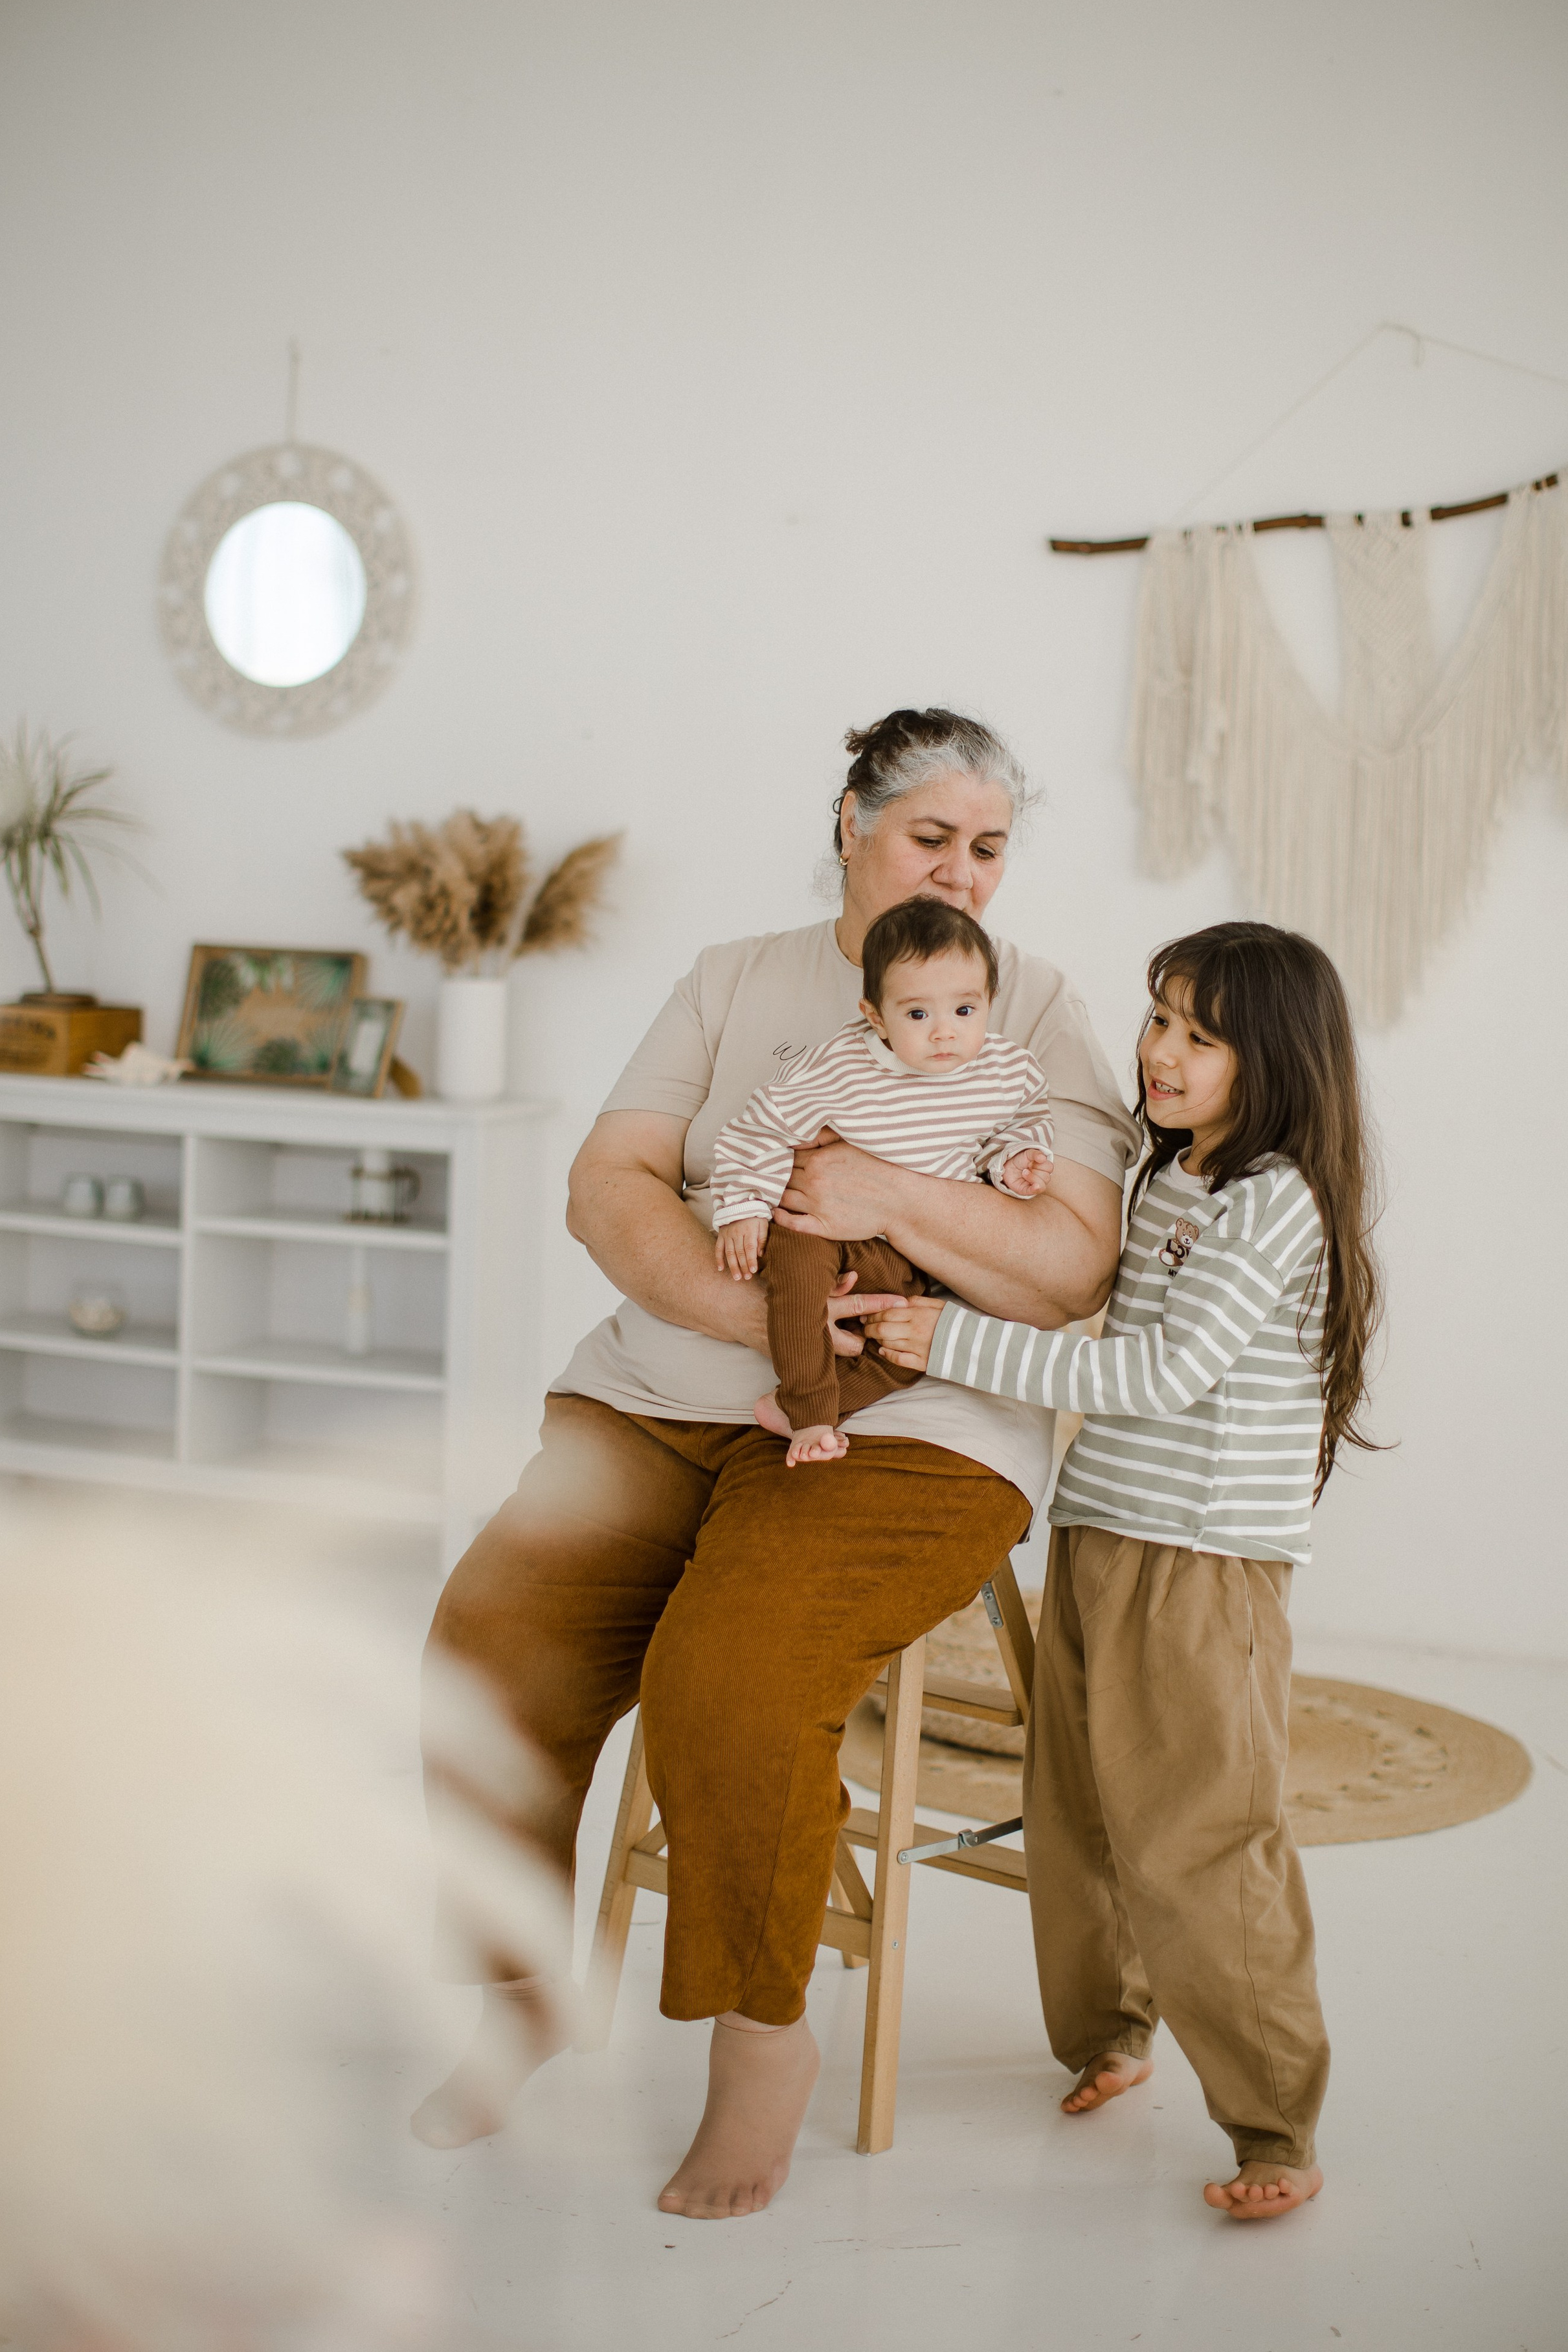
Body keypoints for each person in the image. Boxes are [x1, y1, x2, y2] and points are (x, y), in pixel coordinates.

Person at [414, 706, 1138, 2219]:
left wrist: (880, 1194)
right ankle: (519, 1990)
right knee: (485, 1649)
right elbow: (607, 1178)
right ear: (846, 824)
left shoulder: (1039, 1004)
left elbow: (1068, 1265)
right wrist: (751, 1318)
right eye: (926, 836)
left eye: (987, 847)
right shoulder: (735, 978)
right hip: (659, 1392)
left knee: (727, 1676)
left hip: (908, 1429)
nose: (960, 869)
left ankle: (762, 2043)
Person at [867, 921, 1383, 2224]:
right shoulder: (1166, 1178)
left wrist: (949, 1343)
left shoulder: (1273, 1203)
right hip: (1100, 1533)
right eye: (1157, 1018)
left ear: (1271, 1061)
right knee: (1081, 1814)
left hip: (1203, 1564)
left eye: (1200, 1038)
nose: (1160, 1053)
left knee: (1203, 1838)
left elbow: (1155, 1376)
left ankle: (1275, 2124)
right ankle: (1107, 2032)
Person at [710, 894, 1053, 1466]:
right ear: (876, 1015)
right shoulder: (838, 1067)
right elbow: (760, 1126)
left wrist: (1014, 1162)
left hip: (910, 1249)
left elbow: (1019, 1126)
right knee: (794, 1291)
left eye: (964, 1011)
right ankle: (810, 1415)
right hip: (818, 1228)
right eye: (918, 1015)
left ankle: (821, 1401)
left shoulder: (1006, 1071)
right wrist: (743, 1208)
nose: (945, 1033)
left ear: (990, 1002)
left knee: (909, 1345)